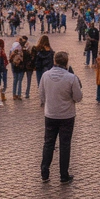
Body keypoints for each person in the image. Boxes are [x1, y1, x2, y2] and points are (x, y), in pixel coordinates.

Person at [39, 51, 81, 184]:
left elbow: (41, 95)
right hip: (67, 115)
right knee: (65, 145)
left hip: (50, 114)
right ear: (66, 62)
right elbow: (78, 97)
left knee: (48, 143)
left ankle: (44, 173)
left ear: (54, 61)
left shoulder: (45, 76)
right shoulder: (71, 78)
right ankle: (64, 175)